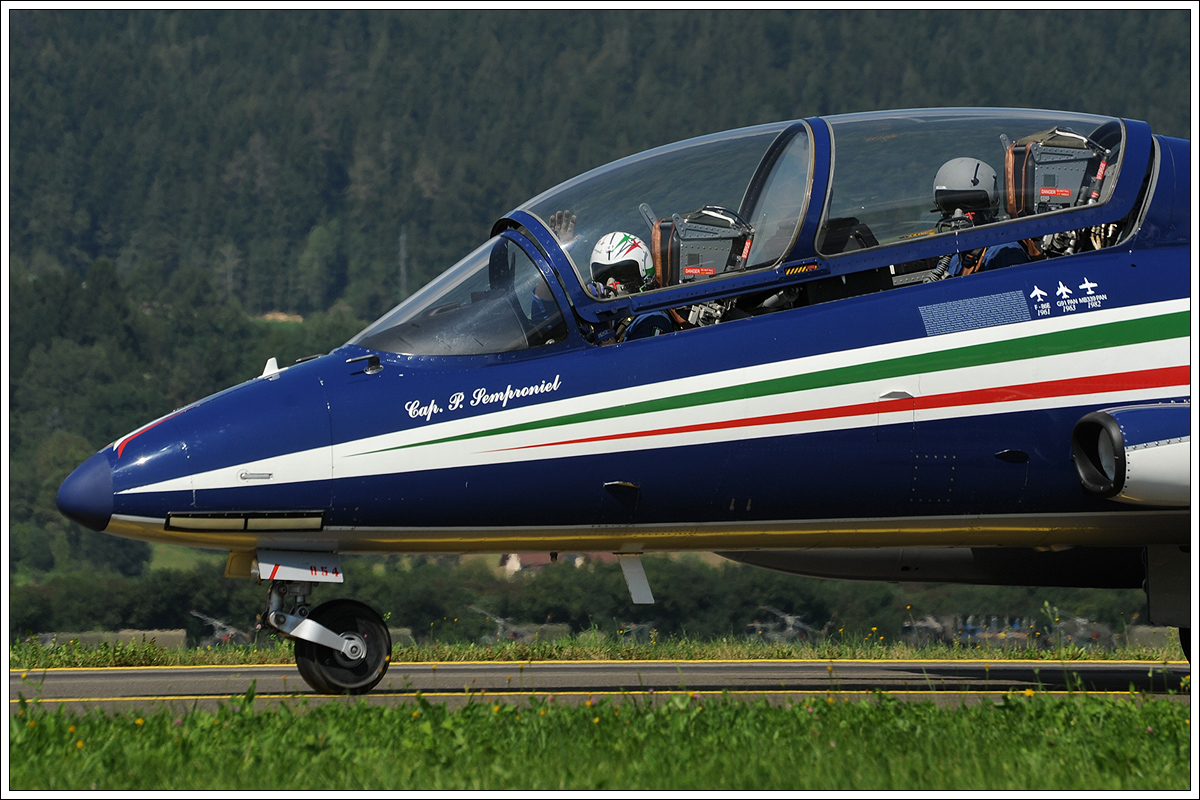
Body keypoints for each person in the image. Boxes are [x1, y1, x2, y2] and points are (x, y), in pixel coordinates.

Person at [926, 157, 1030, 281]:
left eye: (969, 204)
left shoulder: (1004, 253)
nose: (958, 215)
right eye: (949, 205)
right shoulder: (954, 257)